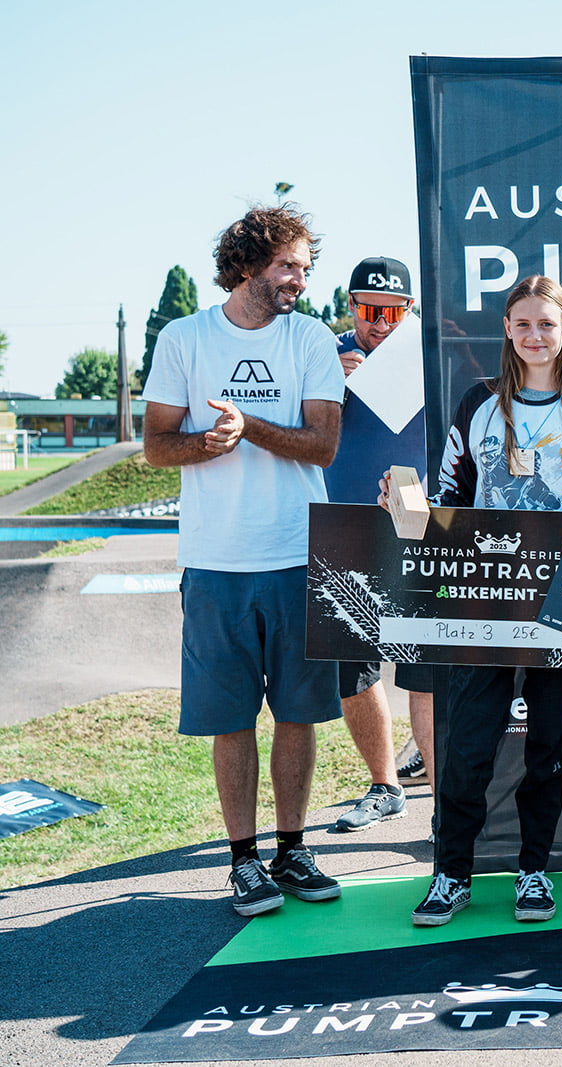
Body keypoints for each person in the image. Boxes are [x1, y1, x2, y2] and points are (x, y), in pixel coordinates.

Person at [389, 274, 562, 926]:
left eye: (546, 324)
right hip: (485, 601)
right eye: (522, 323)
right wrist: (404, 502)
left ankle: (533, 871)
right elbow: (447, 497)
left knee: (547, 748)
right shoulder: (478, 402)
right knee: (468, 747)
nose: (534, 335)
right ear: (506, 329)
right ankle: (451, 874)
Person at [143, 206, 346, 917]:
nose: (299, 280)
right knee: (231, 719)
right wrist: (207, 443)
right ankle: (243, 861)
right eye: (289, 265)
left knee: (297, 714)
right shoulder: (184, 337)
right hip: (214, 561)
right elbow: (155, 445)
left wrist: (247, 425)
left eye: (305, 269)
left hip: (297, 553)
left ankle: (292, 849)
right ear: (249, 264)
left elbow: (323, 446)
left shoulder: (310, 337)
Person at [323, 256, 436, 831]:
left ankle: (445, 809)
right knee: (354, 669)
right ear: (351, 306)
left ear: (409, 310)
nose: (380, 323)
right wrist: (327, 386)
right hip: (344, 527)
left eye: (393, 312)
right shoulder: (324, 356)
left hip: (418, 524)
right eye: (370, 310)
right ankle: (384, 785)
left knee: (424, 669)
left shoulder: (432, 356)